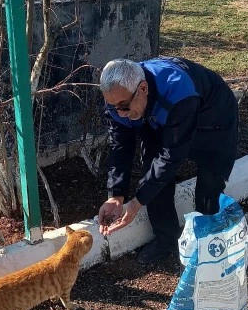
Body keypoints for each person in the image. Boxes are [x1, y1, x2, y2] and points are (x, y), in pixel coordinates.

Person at [98, 56, 238, 263]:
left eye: (124, 106)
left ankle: (210, 246)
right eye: (113, 106)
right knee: (151, 173)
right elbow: (120, 147)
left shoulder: (179, 91)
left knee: (209, 187)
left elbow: (171, 156)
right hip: (160, 116)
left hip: (213, 120)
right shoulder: (120, 100)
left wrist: (136, 203)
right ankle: (166, 238)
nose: (120, 113)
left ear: (143, 88)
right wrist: (116, 195)